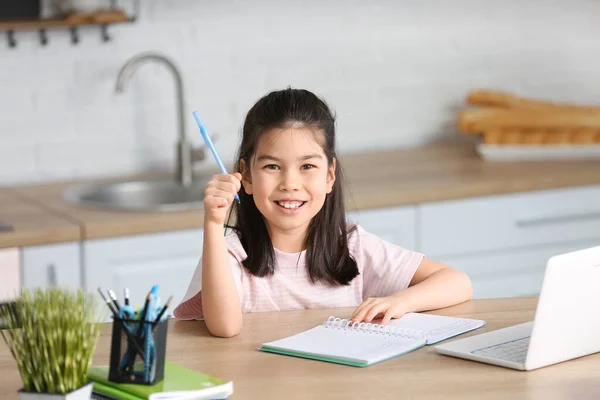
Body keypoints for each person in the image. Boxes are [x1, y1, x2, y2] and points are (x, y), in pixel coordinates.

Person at [174, 88, 472, 337]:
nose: (290, 184)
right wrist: (213, 224)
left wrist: (399, 301)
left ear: (329, 175)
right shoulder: (229, 254)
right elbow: (224, 327)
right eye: (272, 166)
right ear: (246, 177)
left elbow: (457, 282)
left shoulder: (352, 246)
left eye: (307, 167)